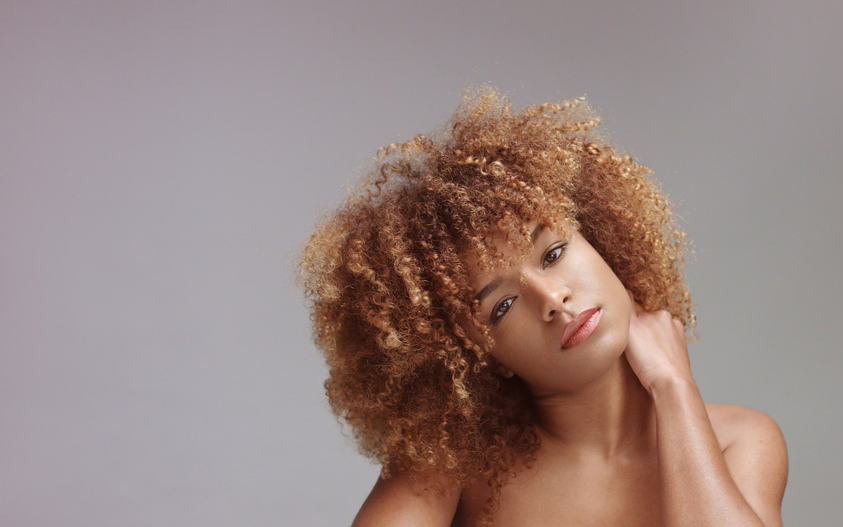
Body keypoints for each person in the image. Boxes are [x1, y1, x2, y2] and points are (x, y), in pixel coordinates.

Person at [296, 85, 788, 526]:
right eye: (503, 306)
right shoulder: (454, 470)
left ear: (603, 244)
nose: (552, 300)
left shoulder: (738, 440)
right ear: (477, 354)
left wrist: (674, 389)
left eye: (553, 254)